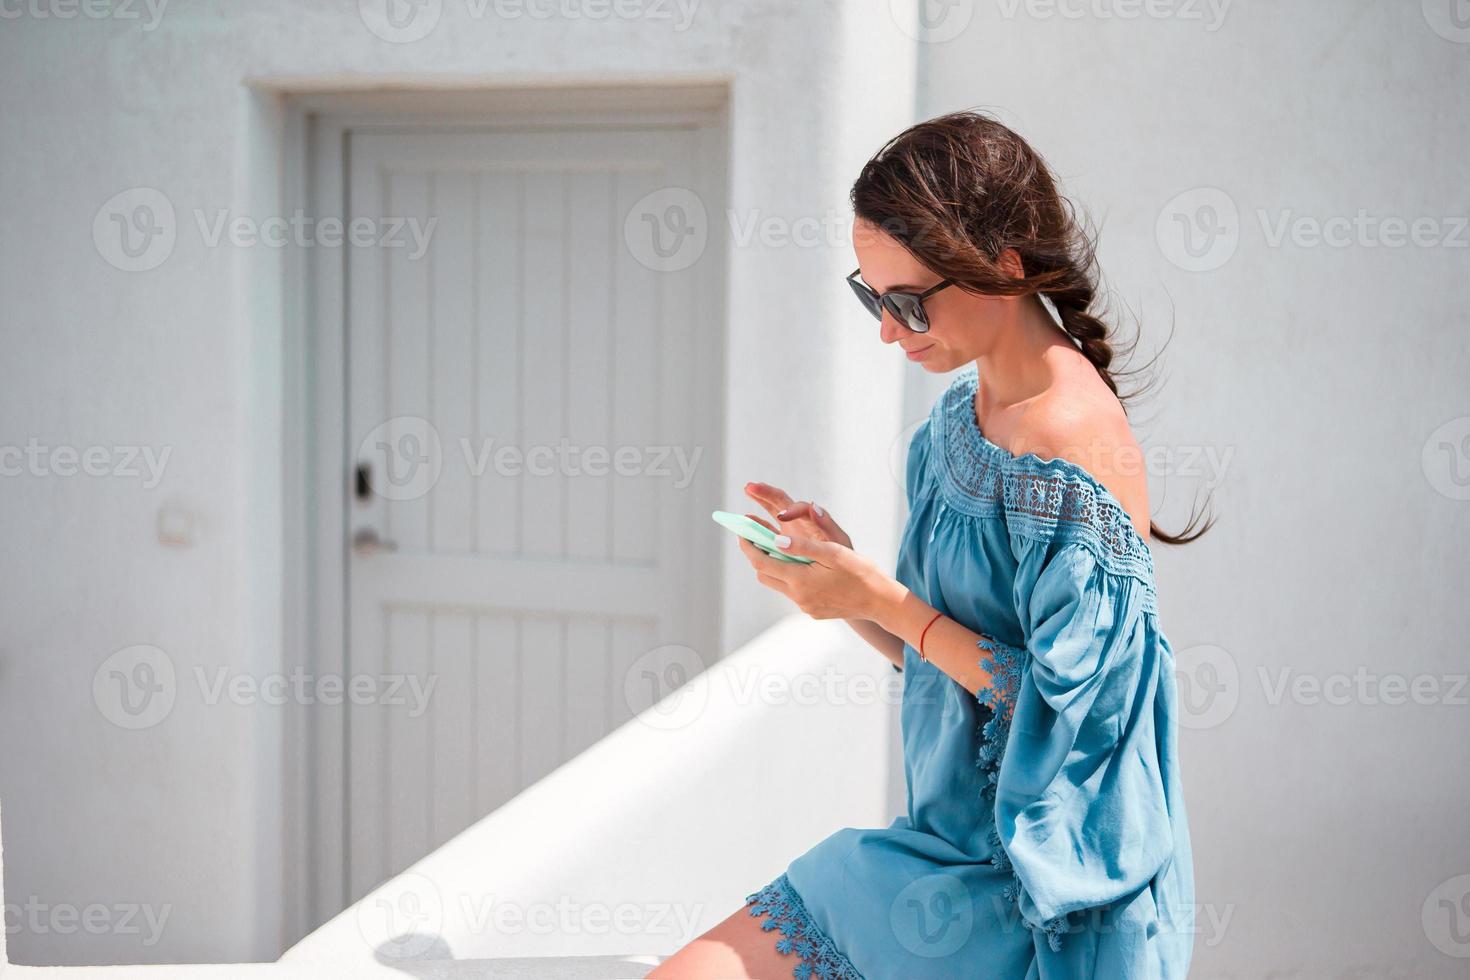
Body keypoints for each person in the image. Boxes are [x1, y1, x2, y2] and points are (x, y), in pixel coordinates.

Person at [649, 109, 1209, 980]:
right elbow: (942, 660)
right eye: (871, 296)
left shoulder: (1073, 444)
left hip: (1041, 898)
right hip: (941, 853)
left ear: (1007, 265)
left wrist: (878, 599)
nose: (886, 329)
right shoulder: (957, 420)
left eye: (907, 301)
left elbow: (1067, 718)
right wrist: (834, 589)